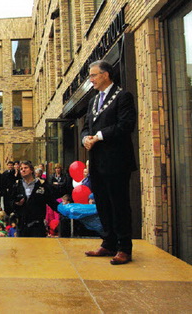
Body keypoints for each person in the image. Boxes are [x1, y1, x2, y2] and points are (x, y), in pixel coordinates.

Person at [81, 59, 137, 265]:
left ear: (105, 75)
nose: (91, 79)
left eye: (93, 75)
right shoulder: (93, 101)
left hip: (117, 162)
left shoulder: (123, 97)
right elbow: (86, 126)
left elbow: (126, 125)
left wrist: (100, 136)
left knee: (119, 204)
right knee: (102, 204)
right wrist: (85, 138)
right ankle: (108, 242)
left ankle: (124, 247)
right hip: (96, 162)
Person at [12, 161, 59, 237]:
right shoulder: (17, 185)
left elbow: (51, 201)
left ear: (31, 170)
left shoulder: (41, 184)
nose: (23, 170)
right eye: (21, 169)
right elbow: (10, 202)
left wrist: (62, 209)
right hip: (22, 224)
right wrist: (16, 204)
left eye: (25, 168)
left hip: (37, 224)